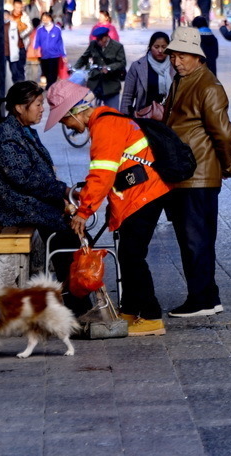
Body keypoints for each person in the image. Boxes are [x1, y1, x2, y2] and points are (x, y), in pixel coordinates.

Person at [47, 79, 172, 336]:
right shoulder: (108, 120)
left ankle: (150, 317)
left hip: (144, 195)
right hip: (141, 193)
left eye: (64, 120)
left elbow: (102, 175)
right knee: (128, 253)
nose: (66, 126)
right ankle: (130, 311)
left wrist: (83, 212)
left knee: (132, 255)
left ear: (75, 112)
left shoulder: (105, 126)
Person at [0, 81, 86, 311]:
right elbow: (27, 179)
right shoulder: (8, 136)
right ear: (20, 107)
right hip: (10, 206)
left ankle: (76, 299)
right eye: (38, 104)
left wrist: (63, 193)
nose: (42, 109)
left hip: (24, 201)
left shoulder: (22, 130)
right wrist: (64, 191)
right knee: (66, 233)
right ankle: (77, 306)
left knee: (72, 231)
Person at [164, 27, 231, 316]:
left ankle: (202, 299)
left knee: (196, 239)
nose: (176, 61)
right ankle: (207, 295)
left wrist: (227, 165)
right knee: (193, 239)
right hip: (184, 172)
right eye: (173, 56)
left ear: (196, 56)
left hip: (199, 174)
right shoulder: (182, 80)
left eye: (182, 56)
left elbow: (223, 133)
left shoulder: (208, 86)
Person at [120, 31, 172, 117]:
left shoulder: (175, 65)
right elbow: (127, 95)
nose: (160, 50)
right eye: (156, 47)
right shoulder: (137, 67)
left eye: (164, 47)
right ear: (150, 47)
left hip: (170, 117)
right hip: (144, 116)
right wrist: (124, 117)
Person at [75, 26, 127, 109]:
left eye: (101, 39)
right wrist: (75, 68)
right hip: (95, 83)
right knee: (83, 108)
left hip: (111, 84)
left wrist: (110, 67)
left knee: (113, 112)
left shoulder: (117, 46)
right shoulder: (93, 44)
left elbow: (122, 63)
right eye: (97, 39)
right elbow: (84, 58)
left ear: (106, 37)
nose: (99, 42)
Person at [33, 12, 66, 87]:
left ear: (50, 18)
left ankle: (51, 86)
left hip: (54, 55)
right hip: (44, 55)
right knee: (45, 71)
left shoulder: (57, 29)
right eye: (43, 18)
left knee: (53, 72)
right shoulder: (40, 29)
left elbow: (61, 42)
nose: (45, 20)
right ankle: (49, 84)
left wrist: (64, 55)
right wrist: (35, 49)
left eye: (46, 18)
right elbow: (37, 40)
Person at [6, 0, 31, 84]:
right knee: (13, 68)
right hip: (11, 47)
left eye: (20, 7)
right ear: (13, 6)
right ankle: (15, 83)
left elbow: (30, 28)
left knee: (21, 67)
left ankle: (21, 85)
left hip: (21, 45)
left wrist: (21, 34)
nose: (18, 9)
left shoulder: (25, 16)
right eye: (16, 7)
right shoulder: (9, 16)